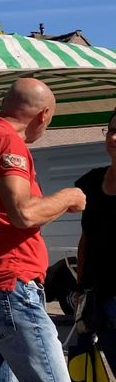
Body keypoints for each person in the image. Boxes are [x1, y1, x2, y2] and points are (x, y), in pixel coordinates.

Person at [0, 77, 87, 382]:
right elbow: (24, 213)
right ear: (43, 114)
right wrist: (68, 197)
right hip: (9, 286)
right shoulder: (8, 142)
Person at [73, 109, 116, 365]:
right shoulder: (91, 181)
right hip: (95, 298)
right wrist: (79, 288)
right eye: (111, 131)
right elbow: (86, 239)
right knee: (89, 370)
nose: (113, 137)